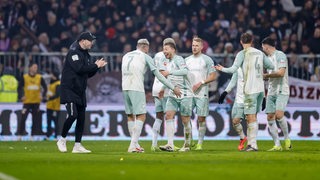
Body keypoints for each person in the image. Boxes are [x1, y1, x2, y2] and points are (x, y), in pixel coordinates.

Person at [215, 33, 274, 151]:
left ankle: (253, 145)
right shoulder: (260, 53)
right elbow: (271, 65)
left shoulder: (242, 54)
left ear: (241, 42)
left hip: (249, 91)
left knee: (250, 118)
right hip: (258, 91)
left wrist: (222, 69)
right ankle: (247, 141)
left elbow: (232, 69)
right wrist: (263, 77)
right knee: (242, 119)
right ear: (252, 41)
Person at [122, 38, 180, 153]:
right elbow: (158, 75)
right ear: (145, 47)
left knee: (130, 115)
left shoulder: (126, 55)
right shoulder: (145, 56)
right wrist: (173, 87)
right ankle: (132, 145)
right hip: (136, 87)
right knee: (141, 115)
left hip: (124, 87)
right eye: (147, 48)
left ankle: (135, 144)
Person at [56, 31, 107, 153]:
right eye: (90, 40)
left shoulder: (86, 55)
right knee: (73, 115)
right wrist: (95, 65)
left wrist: (97, 67)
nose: (92, 43)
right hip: (69, 89)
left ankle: (77, 145)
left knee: (81, 118)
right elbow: (79, 69)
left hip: (80, 90)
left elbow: (87, 73)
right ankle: (62, 139)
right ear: (82, 41)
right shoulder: (73, 53)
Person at [158, 38, 193, 152]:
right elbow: (169, 78)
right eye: (163, 49)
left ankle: (187, 145)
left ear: (173, 49)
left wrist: (169, 72)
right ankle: (170, 144)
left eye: (166, 49)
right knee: (168, 115)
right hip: (173, 94)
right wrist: (163, 88)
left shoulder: (179, 59)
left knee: (185, 120)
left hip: (185, 93)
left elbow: (185, 71)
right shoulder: (166, 62)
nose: (164, 51)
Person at [185, 36, 217, 150]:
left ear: (202, 47)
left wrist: (201, 82)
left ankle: (199, 144)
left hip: (202, 93)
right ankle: (188, 143)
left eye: (197, 45)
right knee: (186, 118)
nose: (194, 47)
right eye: (193, 45)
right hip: (189, 93)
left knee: (201, 118)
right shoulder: (187, 60)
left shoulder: (207, 60)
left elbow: (213, 75)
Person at [261, 37, 292, 151]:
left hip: (282, 90)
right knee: (270, 117)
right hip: (271, 91)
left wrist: (266, 76)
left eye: (263, 46)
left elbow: (281, 73)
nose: (262, 48)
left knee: (279, 115)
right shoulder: (267, 59)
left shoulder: (280, 55)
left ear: (267, 46)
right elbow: (269, 76)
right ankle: (277, 145)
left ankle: (287, 138)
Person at [218, 67, 247, 151]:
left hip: (251, 98)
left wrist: (263, 96)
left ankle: (252, 144)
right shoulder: (238, 69)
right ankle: (243, 138)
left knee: (251, 120)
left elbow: (259, 82)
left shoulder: (254, 67)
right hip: (239, 99)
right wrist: (225, 93)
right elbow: (233, 81)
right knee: (235, 121)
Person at [17, 62, 47, 140]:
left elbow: (45, 88)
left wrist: (42, 96)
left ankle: (32, 136)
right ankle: (20, 135)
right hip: (27, 101)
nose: (35, 69)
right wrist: (21, 96)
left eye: (36, 67)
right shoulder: (25, 77)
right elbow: (19, 87)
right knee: (23, 118)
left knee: (35, 119)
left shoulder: (40, 77)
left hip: (36, 102)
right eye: (34, 67)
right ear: (30, 68)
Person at [45, 70, 61, 140]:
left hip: (55, 106)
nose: (51, 76)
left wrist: (48, 99)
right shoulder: (51, 83)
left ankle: (56, 136)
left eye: (52, 75)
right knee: (48, 121)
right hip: (49, 105)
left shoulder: (58, 83)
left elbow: (57, 95)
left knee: (55, 121)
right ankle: (48, 135)